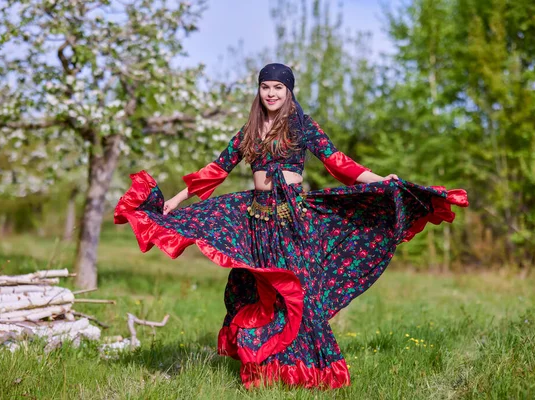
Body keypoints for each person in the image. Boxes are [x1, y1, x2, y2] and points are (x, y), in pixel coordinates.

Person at [114, 63, 468, 389]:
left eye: (278, 88)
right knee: (260, 290)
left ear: (288, 92)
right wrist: (175, 200)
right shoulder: (249, 130)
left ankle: (315, 369)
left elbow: (337, 162)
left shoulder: (301, 125)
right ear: (259, 90)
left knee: (299, 292)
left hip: (292, 219)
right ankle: (269, 368)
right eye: (265, 87)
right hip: (256, 218)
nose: (271, 93)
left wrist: (379, 178)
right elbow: (216, 169)